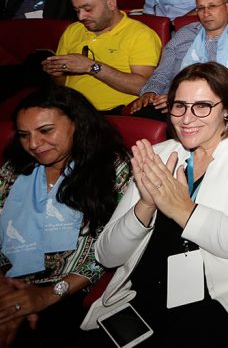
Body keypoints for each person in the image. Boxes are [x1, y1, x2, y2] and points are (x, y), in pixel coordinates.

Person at [82, 63, 228, 345]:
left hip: (217, 298)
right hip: (146, 291)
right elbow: (106, 255)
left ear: (227, 110)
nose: (187, 119)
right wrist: (145, 206)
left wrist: (182, 209)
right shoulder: (158, 155)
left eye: (202, 106)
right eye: (179, 106)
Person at [0, 87, 130, 346]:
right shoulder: (15, 168)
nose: (33, 144)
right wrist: (5, 292)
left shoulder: (112, 169)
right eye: (24, 135)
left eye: (46, 131)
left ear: (77, 124)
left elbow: (108, 250)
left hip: (68, 292)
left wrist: (47, 295)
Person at [127, 0, 228, 116]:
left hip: (218, 105)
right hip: (167, 102)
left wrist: (182, 100)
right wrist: (150, 93)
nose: (206, 13)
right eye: (200, 8)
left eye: (212, 6)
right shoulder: (184, 33)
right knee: (138, 115)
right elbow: (162, 73)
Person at [42, 0, 161, 111]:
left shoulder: (140, 34)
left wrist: (91, 66)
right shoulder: (73, 30)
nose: (81, 17)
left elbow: (143, 87)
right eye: (77, 10)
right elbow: (63, 85)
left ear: (111, 4)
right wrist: (57, 74)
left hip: (114, 111)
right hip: (72, 108)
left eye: (88, 9)